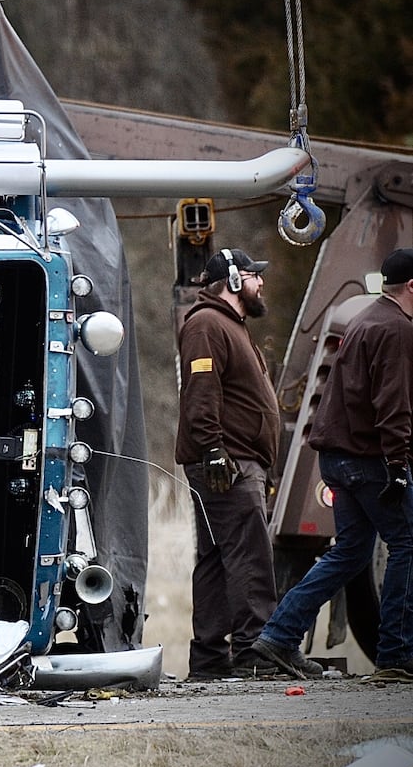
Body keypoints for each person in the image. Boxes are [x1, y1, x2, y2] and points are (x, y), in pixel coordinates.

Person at [253, 247, 413, 682]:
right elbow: (394, 404)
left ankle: (279, 638)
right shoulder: (397, 328)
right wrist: (399, 465)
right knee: (406, 545)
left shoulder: (365, 320)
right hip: (371, 460)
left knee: (349, 553)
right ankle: (397, 656)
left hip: (337, 459)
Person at [175, 247, 282, 679]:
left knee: (220, 558)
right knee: (249, 556)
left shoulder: (228, 324)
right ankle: (255, 649)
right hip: (227, 461)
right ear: (235, 281)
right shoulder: (206, 323)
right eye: (256, 276)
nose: (262, 284)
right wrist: (214, 449)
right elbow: (201, 390)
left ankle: (210, 660)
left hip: (235, 458)